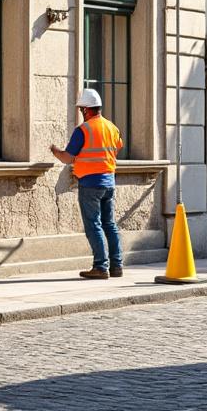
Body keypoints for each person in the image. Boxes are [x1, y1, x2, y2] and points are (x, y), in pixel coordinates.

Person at [49, 88, 123, 280]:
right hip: (109, 182)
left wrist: (55, 151)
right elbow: (116, 149)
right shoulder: (112, 127)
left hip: (90, 183)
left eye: (82, 109)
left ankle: (100, 266)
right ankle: (117, 266)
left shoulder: (84, 130)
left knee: (93, 225)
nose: (81, 113)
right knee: (110, 224)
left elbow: (67, 158)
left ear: (86, 110)